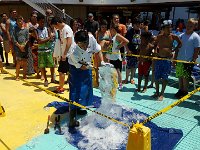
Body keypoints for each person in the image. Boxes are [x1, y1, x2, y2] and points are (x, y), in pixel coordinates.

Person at [68, 30, 104, 131]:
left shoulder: (91, 39)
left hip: (87, 65)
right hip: (76, 69)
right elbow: (82, 67)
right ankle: (72, 118)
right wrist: (92, 67)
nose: (84, 46)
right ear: (76, 42)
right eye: (81, 44)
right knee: (75, 90)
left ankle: (80, 107)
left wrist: (102, 63)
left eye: (86, 43)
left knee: (87, 88)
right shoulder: (73, 51)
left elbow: (98, 51)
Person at [153, 20, 182, 101]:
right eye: (167, 27)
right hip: (159, 59)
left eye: (170, 27)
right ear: (163, 29)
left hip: (167, 59)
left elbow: (180, 43)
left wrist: (174, 50)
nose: (169, 29)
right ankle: (157, 92)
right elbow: (154, 45)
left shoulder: (173, 36)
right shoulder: (160, 36)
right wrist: (155, 52)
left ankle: (162, 93)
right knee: (156, 77)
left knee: (165, 77)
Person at [174, 18, 200, 98]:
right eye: (188, 24)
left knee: (185, 77)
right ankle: (180, 89)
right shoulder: (181, 35)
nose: (189, 26)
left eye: (191, 25)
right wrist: (175, 58)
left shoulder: (196, 37)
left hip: (188, 61)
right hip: (179, 59)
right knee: (180, 76)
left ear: (194, 27)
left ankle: (185, 91)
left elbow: (197, 50)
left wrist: (193, 60)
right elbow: (177, 48)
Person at [51, 17, 74, 93]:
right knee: (65, 71)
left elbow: (69, 42)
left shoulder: (66, 29)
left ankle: (61, 88)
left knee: (62, 71)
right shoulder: (61, 29)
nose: (55, 28)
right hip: (65, 53)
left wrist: (64, 54)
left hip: (68, 54)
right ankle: (62, 87)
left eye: (55, 26)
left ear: (57, 23)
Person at [106, 23, 129, 90]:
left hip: (116, 56)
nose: (109, 30)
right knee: (111, 70)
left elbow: (126, 41)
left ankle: (120, 84)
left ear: (113, 29)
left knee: (118, 70)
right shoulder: (112, 36)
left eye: (110, 28)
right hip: (111, 56)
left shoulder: (117, 35)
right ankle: (113, 83)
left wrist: (119, 46)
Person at [36, 15, 54, 87]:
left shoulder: (47, 29)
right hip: (41, 50)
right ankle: (46, 79)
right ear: (38, 22)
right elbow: (39, 41)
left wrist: (45, 39)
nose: (42, 23)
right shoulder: (36, 30)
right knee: (43, 66)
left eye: (43, 21)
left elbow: (51, 38)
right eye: (41, 22)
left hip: (48, 49)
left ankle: (52, 78)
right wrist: (48, 38)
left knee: (51, 64)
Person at [123, 19, 141, 84]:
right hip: (130, 51)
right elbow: (124, 42)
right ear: (133, 25)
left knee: (134, 66)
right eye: (137, 24)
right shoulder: (130, 31)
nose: (138, 25)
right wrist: (128, 50)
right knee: (128, 66)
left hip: (137, 52)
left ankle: (132, 78)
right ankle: (126, 78)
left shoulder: (139, 31)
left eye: (139, 24)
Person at [12, 16, 29, 80]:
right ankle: (17, 75)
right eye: (18, 21)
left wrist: (24, 45)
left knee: (25, 62)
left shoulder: (26, 29)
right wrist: (19, 46)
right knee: (18, 62)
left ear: (23, 21)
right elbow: (14, 39)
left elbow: (27, 38)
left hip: (25, 47)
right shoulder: (15, 29)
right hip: (18, 47)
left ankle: (24, 75)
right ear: (16, 22)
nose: (20, 22)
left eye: (20, 20)